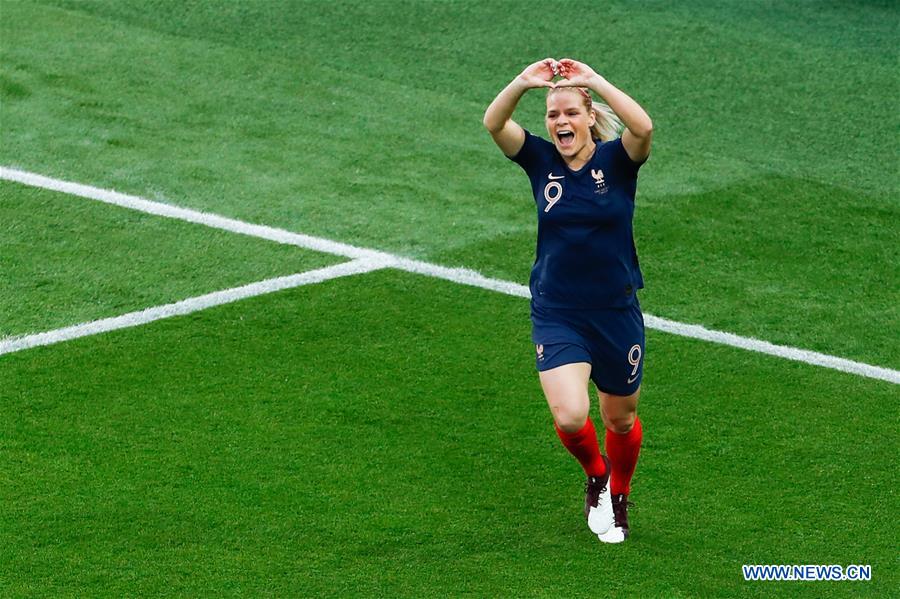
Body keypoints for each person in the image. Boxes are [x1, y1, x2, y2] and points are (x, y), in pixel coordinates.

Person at [483, 58, 652, 543]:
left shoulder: (617, 162)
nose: (561, 122)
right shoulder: (541, 162)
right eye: (553, 114)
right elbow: (494, 123)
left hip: (615, 312)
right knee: (571, 415)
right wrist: (522, 82)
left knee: (620, 417)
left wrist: (593, 79)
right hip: (557, 311)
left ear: (589, 117)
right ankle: (597, 476)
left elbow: (643, 128)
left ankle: (620, 493)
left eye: (571, 113)